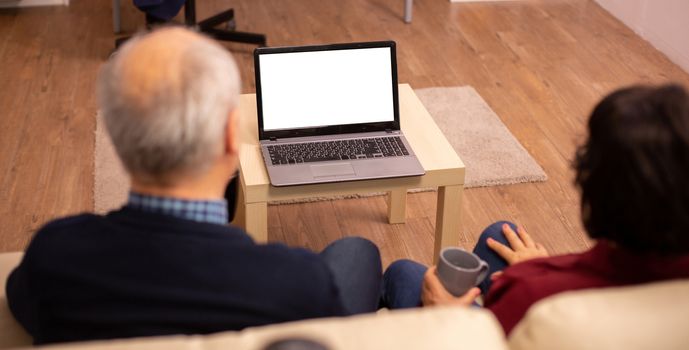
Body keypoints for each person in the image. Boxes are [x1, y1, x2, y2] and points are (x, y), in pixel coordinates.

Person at [6, 27, 382, 345]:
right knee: (359, 252)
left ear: (119, 141)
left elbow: (18, 296)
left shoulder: (54, 255)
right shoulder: (296, 281)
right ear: (231, 138)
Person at [380, 84, 689, 334]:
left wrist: (449, 320)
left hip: (482, 332)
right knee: (500, 234)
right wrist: (545, 266)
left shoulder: (531, 297)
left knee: (404, 274)